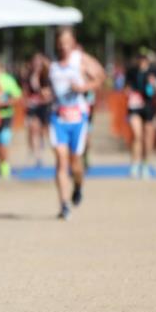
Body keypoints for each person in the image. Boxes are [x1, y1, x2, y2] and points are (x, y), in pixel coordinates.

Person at [48, 28, 105, 220]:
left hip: (78, 118)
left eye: (67, 41)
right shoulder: (53, 66)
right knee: (61, 161)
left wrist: (83, 87)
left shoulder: (80, 60)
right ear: (57, 43)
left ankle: (78, 185)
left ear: (73, 43)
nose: (64, 45)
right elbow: (47, 87)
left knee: (75, 163)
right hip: (58, 118)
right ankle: (63, 205)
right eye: (61, 42)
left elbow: (100, 77)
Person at [124, 50, 156, 178]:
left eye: (144, 58)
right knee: (137, 135)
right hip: (135, 106)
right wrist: (129, 92)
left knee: (148, 137)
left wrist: (154, 84)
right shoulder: (131, 72)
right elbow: (126, 88)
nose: (142, 61)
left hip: (149, 107)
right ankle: (135, 164)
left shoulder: (154, 72)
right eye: (140, 58)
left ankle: (145, 164)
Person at [24, 53, 52, 168]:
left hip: (44, 107)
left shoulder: (46, 75)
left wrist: (42, 96)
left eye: (39, 62)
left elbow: (48, 94)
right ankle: (37, 155)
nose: (37, 64)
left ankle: (41, 149)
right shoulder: (28, 75)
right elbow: (25, 91)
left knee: (42, 131)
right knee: (33, 128)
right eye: (35, 61)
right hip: (32, 107)